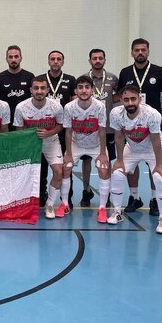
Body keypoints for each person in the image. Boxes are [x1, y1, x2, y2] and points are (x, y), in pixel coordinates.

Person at [117, 38, 162, 216]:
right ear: (132, 52)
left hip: (152, 125)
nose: (140, 53)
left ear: (148, 51)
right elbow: (120, 97)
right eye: (137, 50)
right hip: (132, 126)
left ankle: (155, 198)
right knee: (132, 163)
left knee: (152, 163)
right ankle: (134, 197)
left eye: (143, 50)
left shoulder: (160, 72)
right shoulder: (125, 72)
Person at [108, 85, 162, 234]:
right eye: (126, 99)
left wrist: (159, 164)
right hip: (133, 147)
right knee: (117, 173)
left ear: (139, 99)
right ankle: (117, 212)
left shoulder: (151, 114)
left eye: (133, 99)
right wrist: (119, 160)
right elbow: (118, 136)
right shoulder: (116, 113)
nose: (130, 103)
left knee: (159, 177)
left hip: (153, 148)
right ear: (121, 100)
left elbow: (155, 138)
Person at [13, 77, 64, 219]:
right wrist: (28, 140)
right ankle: (24, 203)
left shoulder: (56, 106)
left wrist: (49, 133)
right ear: (31, 90)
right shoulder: (21, 107)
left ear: (47, 90)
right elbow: (19, 130)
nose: (39, 91)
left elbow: (60, 125)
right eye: (36, 88)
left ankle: (50, 204)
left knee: (58, 172)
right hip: (30, 143)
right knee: (24, 173)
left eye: (42, 88)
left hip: (51, 141)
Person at [61, 76, 110, 220]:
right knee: (66, 167)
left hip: (95, 145)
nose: (84, 90)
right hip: (76, 144)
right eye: (80, 87)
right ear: (76, 91)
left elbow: (102, 130)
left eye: (87, 87)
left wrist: (102, 153)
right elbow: (68, 131)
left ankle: (102, 208)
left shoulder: (99, 106)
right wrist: (69, 154)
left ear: (92, 90)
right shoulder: (69, 107)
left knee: (103, 168)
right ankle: (64, 204)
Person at [36, 50, 76, 208]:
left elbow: (74, 103)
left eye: (59, 59)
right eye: (52, 59)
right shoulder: (40, 79)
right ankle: (41, 195)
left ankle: (67, 198)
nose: (55, 61)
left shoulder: (70, 80)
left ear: (63, 62)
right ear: (48, 61)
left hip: (63, 128)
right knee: (42, 166)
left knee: (65, 165)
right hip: (44, 127)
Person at [79, 49, 118, 207]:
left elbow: (118, 96)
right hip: (88, 128)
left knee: (106, 161)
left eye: (100, 58)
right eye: (94, 58)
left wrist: (109, 102)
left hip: (108, 128)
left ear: (104, 60)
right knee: (86, 160)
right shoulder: (84, 78)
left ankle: (106, 192)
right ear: (90, 61)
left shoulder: (113, 78)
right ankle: (86, 190)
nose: (97, 61)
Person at [0, 45, 34, 130]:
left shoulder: (29, 76)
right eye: (10, 57)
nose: (13, 60)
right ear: (6, 59)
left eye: (16, 56)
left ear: (21, 58)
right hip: (5, 120)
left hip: (25, 118)